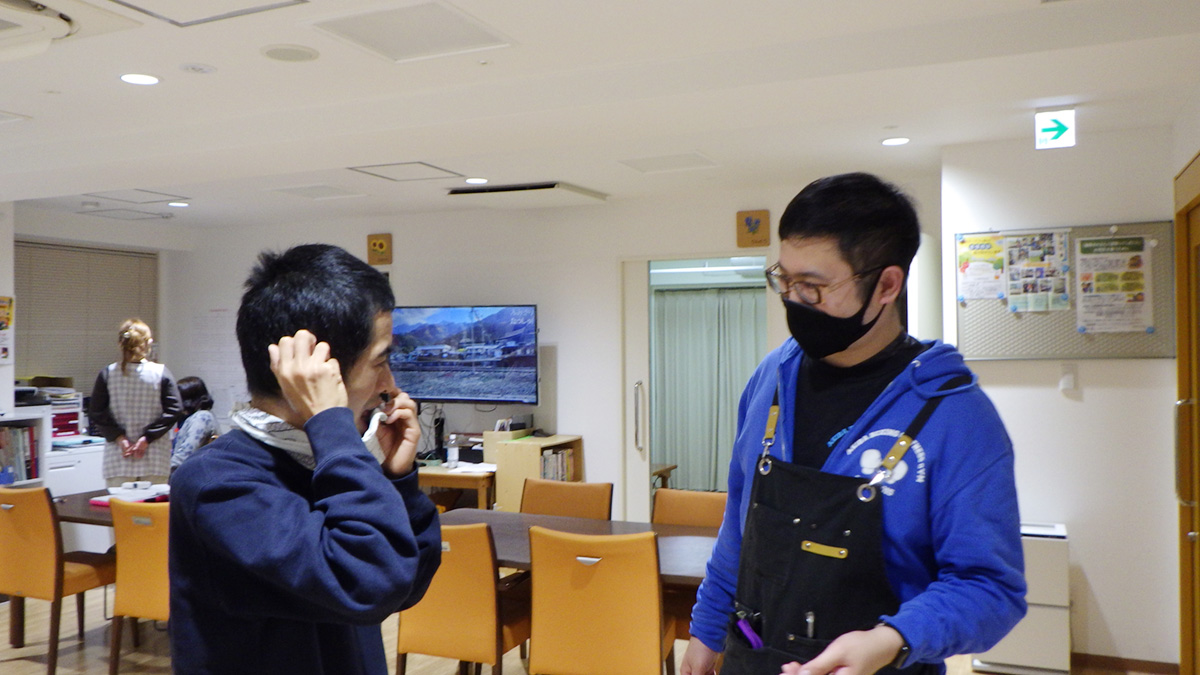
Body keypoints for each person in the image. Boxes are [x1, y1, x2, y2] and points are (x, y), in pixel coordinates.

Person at [679, 173, 1026, 675]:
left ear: (886, 285)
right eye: (784, 280)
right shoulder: (771, 378)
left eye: (813, 287)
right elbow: (739, 524)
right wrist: (707, 628)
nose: (793, 300)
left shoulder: (955, 416)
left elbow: (990, 588)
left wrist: (892, 640)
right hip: (752, 658)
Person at [168, 244, 442, 675]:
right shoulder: (217, 483)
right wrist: (331, 424)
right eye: (380, 361)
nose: (389, 385)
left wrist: (397, 479)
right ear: (320, 370)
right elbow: (369, 581)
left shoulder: (324, 462)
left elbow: (406, 581)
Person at [89, 318, 183, 487]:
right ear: (148, 343)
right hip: (155, 459)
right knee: (152, 504)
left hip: (119, 459)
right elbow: (174, 410)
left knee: (120, 504)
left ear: (120, 343)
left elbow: (96, 412)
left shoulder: (108, 374)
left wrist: (120, 438)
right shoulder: (160, 373)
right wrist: (147, 438)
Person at [170, 376, 220, 470]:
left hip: (192, 472)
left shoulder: (201, 418)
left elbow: (185, 455)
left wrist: (163, 469)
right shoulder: (194, 417)